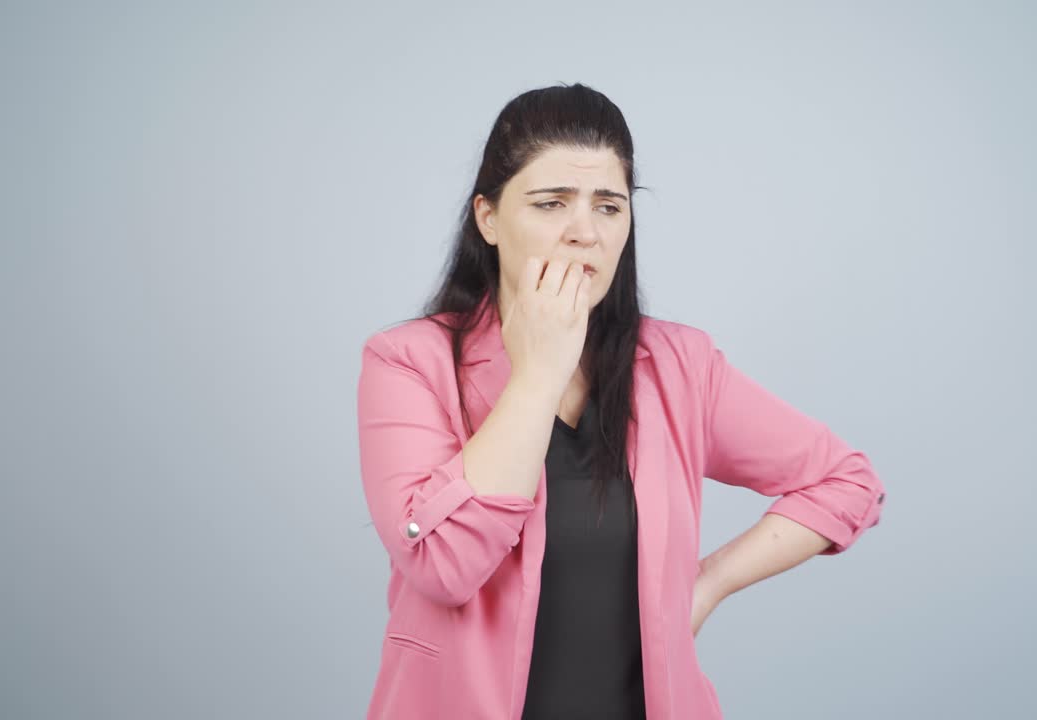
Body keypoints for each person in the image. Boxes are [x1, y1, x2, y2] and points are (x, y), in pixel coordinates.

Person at [356, 82, 886, 720]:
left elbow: (845, 481)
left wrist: (707, 582)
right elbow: (442, 565)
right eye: (551, 203)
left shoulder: (678, 366)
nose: (585, 233)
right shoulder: (409, 361)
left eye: (608, 206)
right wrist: (538, 373)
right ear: (488, 218)